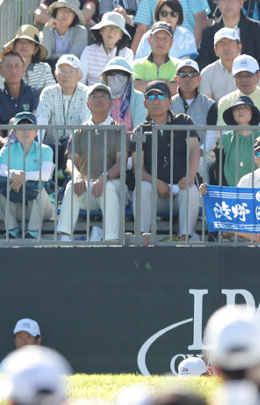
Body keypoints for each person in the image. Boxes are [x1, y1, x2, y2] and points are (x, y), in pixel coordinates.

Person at [130, 81, 201, 241]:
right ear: (145, 102)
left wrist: (189, 176)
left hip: (180, 189)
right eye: (151, 96)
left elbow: (194, 150)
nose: (156, 100)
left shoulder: (184, 121)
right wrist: (157, 183)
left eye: (161, 96)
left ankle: (185, 239)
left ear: (170, 101)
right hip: (156, 194)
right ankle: (143, 240)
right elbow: (138, 169)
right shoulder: (140, 130)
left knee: (191, 189)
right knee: (142, 186)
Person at [56, 82, 125, 242]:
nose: (99, 100)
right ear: (88, 103)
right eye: (94, 96)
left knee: (107, 187)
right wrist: (78, 177)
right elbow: (70, 162)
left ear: (111, 102)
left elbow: (121, 163)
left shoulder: (118, 129)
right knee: (71, 185)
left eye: (103, 96)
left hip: (114, 186)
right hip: (87, 187)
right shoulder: (80, 130)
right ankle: (64, 238)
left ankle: (110, 239)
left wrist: (105, 177)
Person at [0, 111, 54, 239]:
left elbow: (45, 175)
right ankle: (11, 229)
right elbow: (0, 172)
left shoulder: (46, 150)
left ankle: (33, 231)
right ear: (14, 132)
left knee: (41, 190)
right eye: (21, 128)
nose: (25, 131)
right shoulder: (7, 150)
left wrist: (20, 177)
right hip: (17, 208)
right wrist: (12, 174)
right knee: (1, 189)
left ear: (36, 131)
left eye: (29, 127)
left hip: (42, 209)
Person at [37, 54, 90, 165]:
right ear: (56, 74)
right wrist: (36, 146)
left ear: (80, 76)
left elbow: (86, 124)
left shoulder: (86, 93)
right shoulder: (48, 92)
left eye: (71, 71)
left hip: (75, 147)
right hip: (51, 146)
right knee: (41, 147)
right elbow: (41, 121)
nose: (66, 75)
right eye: (62, 70)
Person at [0, 49, 42, 146]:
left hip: (30, 143)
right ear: (0, 71)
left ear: (24, 70)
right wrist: (2, 141)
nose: (13, 70)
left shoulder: (34, 94)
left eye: (17, 66)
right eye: (8, 66)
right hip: (5, 146)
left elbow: (35, 122)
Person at [217, 55, 260, 126]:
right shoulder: (225, 101)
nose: (244, 80)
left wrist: (239, 126)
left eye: (248, 75)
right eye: (239, 76)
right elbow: (222, 132)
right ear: (233, 77)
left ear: (258, 75)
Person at [81, 10, 134, 85]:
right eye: (108, 26)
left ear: (121, 35)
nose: (112, 31)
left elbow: (126, 84)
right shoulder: (88, 51)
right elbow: (80, 82)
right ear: (101, 30)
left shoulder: (127, 53)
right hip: (92, 95)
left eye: (117, 28)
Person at [1, 24, 56, 91]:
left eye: (29, 42)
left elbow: (52, 92)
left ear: (36, 49)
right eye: (21, 41)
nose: (24, 45)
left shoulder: (45, 69)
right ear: (14, 46)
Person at [40, 0, 91, 66]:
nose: (65, 14)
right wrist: (47, 27)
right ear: (56, 11)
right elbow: (45, 56)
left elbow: (74, 58)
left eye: (70, 13)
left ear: (74, 17)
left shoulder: (81, 31)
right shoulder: (47, 30)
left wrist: (54, 57)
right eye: (63, 10)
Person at [131, 21, 179, 94]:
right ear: (149, 40)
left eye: (165, 38)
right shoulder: (137, 64)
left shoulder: (179, 65)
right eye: (157, 37)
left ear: (171, 43)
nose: (161, 42)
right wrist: (164, 83)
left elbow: (177, 89)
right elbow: (134, 87)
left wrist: (145, 84)